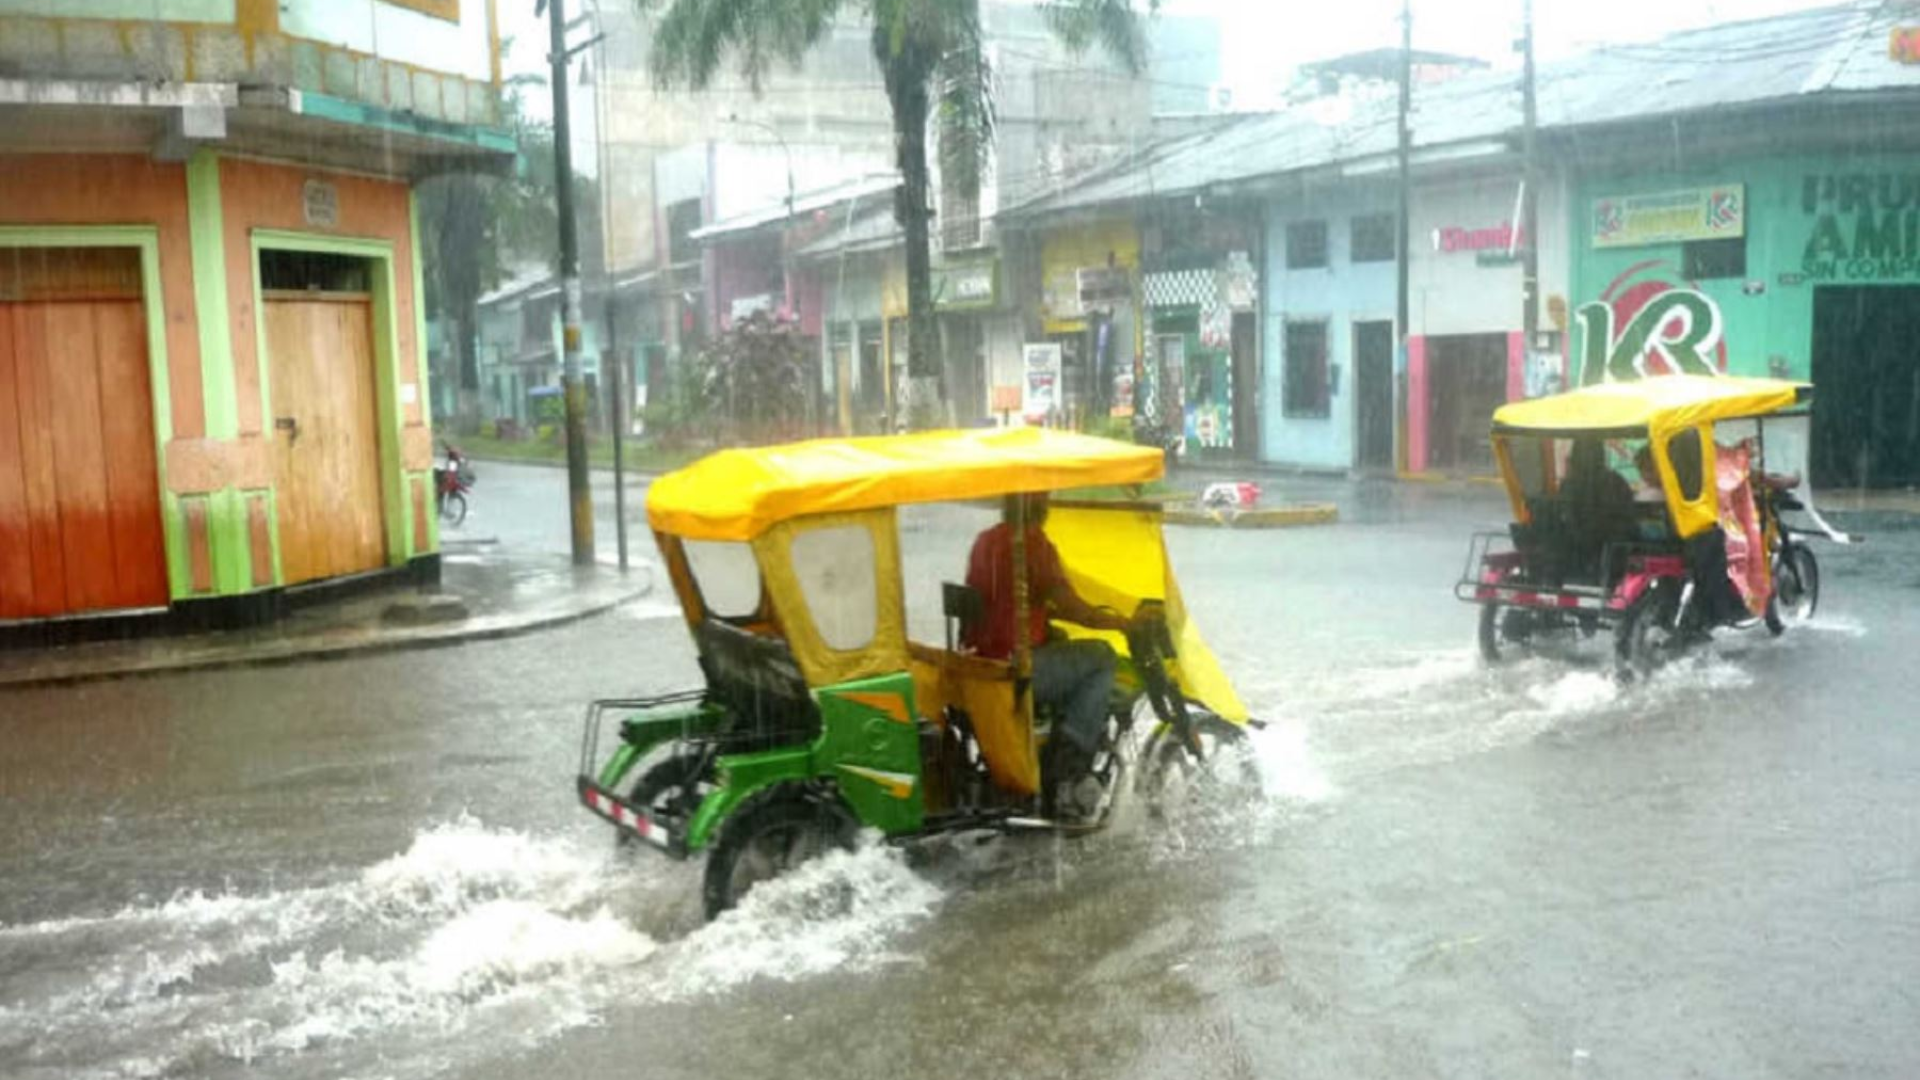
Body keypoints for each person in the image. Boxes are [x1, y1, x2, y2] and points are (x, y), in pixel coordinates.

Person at [963, 493, 1132, 814]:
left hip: (982, 665)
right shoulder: (1034, 545)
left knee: (1065, 644)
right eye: (1045, 501)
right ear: (1039, 508)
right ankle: (1069, 763)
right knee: (1102, 657)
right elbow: (1071, 605)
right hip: (1015, 669)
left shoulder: (985, 541)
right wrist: (1123, 623)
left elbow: (1012, 603)